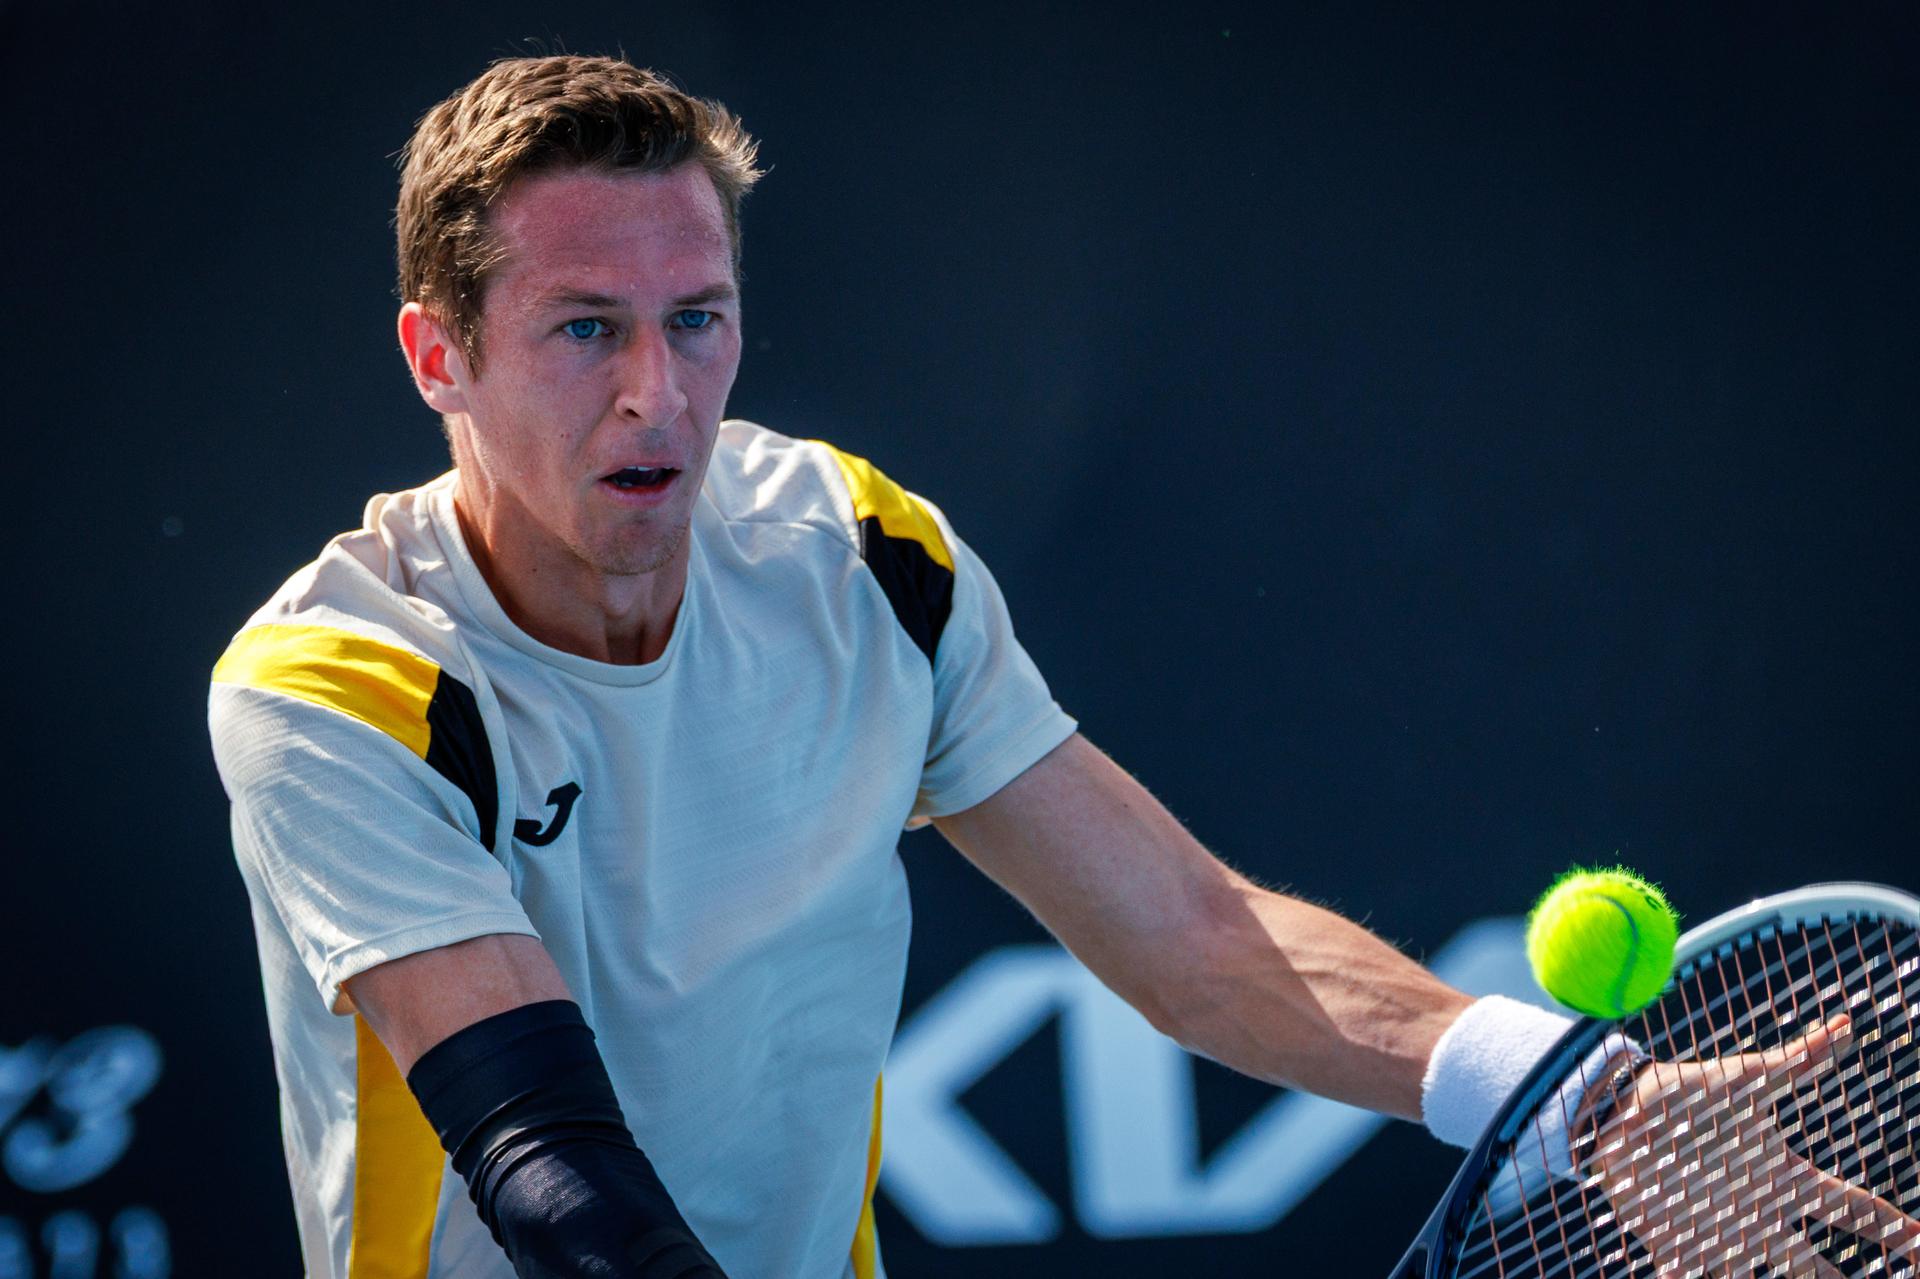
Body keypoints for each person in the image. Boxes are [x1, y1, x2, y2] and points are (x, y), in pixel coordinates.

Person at [209, 54, 1914, 1279]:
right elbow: (547, 1167)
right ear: (439, 355)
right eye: (587, 328)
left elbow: (1195, 940)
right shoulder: (338, 689)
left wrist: (1570, 1098)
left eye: (700, 317)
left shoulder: (862, 561)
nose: (661, 391)